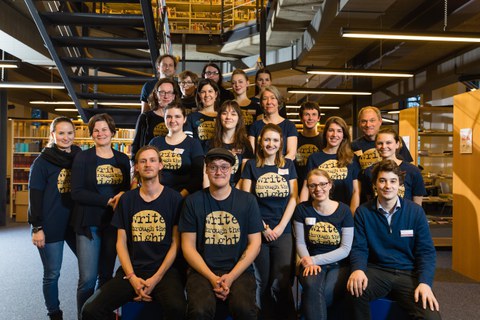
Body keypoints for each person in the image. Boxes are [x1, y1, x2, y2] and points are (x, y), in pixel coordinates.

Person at [81, 146, 187, 320]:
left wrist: (156, 278)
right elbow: (120, 243)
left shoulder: (175, 199)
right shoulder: (127, 199)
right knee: (90, 310)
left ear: (160, 165)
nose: (148, 164)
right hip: (132, 271)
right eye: (142, 161)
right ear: (136, 167)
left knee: (178, 309)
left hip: (164, 272)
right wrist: (131, 278)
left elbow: (176, 244)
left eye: (153, 160)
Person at [347, 159, 441, 320]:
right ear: (375, 184)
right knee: (354, 291)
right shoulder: (363, 212)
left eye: (393, 181)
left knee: (431, 317)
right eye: (382, 181)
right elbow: (359, 247)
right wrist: (358, 269)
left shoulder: (415, 212)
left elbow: (426, 252)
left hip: (408, 273)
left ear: (400, 184)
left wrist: (425, 282)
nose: (387, 186)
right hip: (378, 270)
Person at [179, 148, 263, 320]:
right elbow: (187, 246)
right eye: (213, 167)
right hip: (202, 271)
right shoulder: (192, 201)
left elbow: (255, 243)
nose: (219, 172)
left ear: (232, 170)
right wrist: (211, 278)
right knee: (199, 311)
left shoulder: (248, 201)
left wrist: (231, 277)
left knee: (245, 310)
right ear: (206, 170)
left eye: (224, 167)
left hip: (239, 270)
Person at [71, 113, 131, 318]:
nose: (100, 133)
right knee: (87, 278)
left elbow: (125, 191)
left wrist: (122, 195)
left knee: (106, 276)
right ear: (91, 134)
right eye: (96, 130)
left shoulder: (122, 159)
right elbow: (76, 192)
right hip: (89, 224)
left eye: (105, 129)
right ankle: (83, 316)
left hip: (112, 225)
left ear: (112, 132)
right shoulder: (83, 157)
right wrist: (106, 201)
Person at [241, 123, 298, 320]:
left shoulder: (288, 166)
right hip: (258, 231)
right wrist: (262, 227)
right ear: (260, 142)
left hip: (283, 231)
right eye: (267, 139)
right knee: (262, 282)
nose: (271, 143)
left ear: (281, 142)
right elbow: (246, 200)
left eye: (275, 140)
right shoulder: (251, 166)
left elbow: (293, 198)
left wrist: (281, 227)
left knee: (281, 281)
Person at [28, 117, 82, 320]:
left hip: (75, 222)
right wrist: (36, 227)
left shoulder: (79, 156)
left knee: (89, 271)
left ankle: (89, 309)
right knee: (52, 274)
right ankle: (54, 313)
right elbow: (35, 197)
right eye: (61, 133)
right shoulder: (41, 162)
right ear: (52, 135)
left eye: (69, 133)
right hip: (50, 224)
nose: (66, 137)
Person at [293, 169, 354, 320]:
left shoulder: (344, 210)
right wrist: (308, 261)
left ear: (330, 185)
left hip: (339, 264)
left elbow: (346, 249)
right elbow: (300, 242)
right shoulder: (302, 209)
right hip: (310, 264)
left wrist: (315, 260)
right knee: (312, 287)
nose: (318, 189)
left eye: (322, 184)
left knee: (326, 293)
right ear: (308, 187)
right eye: (313, 185)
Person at [300, 116, 361, 214]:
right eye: (331, 130)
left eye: (339, 131)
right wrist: (301, 211)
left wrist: (351, 215)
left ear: (344, 135)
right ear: (325, 133)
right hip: (318, 212)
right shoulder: (314, 158)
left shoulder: (352, 158)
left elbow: (356, 191)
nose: (334, 134)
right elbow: (306, 188)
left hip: (343, 213)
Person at [149, 103, 204, 198]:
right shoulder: (155, 142)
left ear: (184, 119)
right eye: (169, 117)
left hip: (184, 197)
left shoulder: (194, 144)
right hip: (156, 196)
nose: (173, 120)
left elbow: (198, 177)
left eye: (177, 116)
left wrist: (179, 196)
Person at [364, 128, 426, 205]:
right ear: (375, 146)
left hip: (405, 216)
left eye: (388, 143)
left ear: (397, 144)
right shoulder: (369, 171)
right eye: (380, 143)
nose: (384, 146)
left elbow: (417, 205)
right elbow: (369, 201)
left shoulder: (413, 171)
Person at [205, 100, 254, 188]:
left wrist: (234, 194)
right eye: (224, 113)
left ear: (239, 118)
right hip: (214, 189)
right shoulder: (210, 144)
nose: (228, 117)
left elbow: (244, 176)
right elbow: (206, 175)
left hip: (237, 190)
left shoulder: (245, 144)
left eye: (233, 114)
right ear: (219, 117)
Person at [131, 78, 179, 160]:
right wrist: (133, 164)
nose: (166, 96)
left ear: (174, 96)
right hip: (148, 162)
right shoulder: (145, 117)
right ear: (156, 95)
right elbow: (136, 145)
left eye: (169, 92)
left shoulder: (180, 118)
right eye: (162, 92)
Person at [352, 106, 413, 170]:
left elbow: (408, 168)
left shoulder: (395, 141)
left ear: (380, 121)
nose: (368, 125)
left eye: (372, 120)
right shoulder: (354, 146)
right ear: (359, 123)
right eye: (364, 121)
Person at [248, 85, 298, 160]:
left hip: (282, 168)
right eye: (265, 99)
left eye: (273, 98)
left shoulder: (289, 126)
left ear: (279, 102)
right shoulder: (255, 125)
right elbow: (251, 154)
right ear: (261, 103)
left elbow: (291, 154)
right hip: (259, 168)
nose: (269, 102)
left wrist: (275, 168)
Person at [185, 78, 220, 152]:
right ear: (199, 95)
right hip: (198, 156)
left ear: (216, 94)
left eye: (210, 91)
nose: (207, 95)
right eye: (203, 92)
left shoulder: (223, 116)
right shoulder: (191, 117)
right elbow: (188, 143)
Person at [295, 101, 323, 191]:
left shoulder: (325, 140)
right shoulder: (294, 140)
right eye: (307, 114)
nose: (310, 118)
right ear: (301, 117)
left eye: (314, 114)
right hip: (297, 186)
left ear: (319, 118)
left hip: (319, 187)